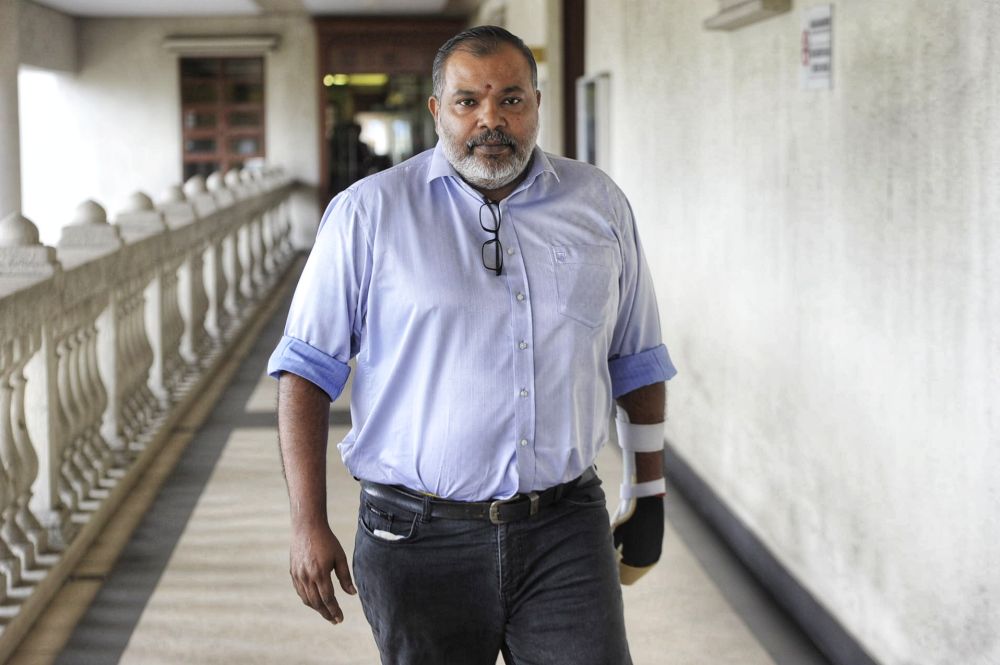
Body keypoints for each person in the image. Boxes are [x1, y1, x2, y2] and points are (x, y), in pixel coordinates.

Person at [268, 25, 677, 665]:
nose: (492, 120)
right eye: (468, 101)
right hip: (416, 539)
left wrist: (648, 495)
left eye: (511, 99)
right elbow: (305, 373)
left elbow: (637, 358)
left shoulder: (598, 203)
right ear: (438, 109)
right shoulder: (369, 213)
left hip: (565, 527)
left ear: (537, 103)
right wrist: (306, 523)